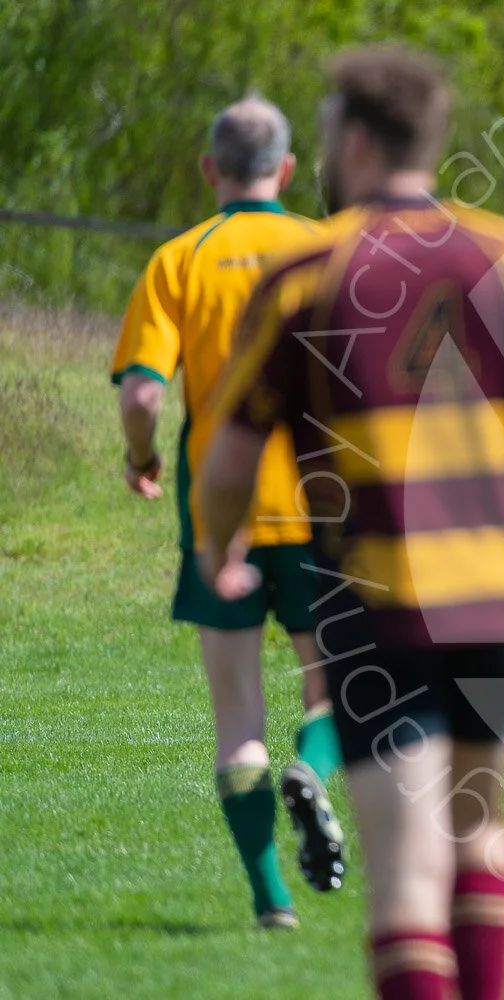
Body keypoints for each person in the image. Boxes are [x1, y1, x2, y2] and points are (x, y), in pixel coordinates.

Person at [195, 45, 504, 1000]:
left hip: (374, 604)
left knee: (403, 874)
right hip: (495, 594)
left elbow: (227, 460)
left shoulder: (308, 270)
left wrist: (218, 545)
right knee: (478, 825)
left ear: (351, 139)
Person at [111, 95, 345, 929]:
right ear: (286, 170)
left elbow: (142, 391)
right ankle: (314, 770)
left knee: (238, 716)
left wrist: (140, 458)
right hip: (326, 507)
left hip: (221, 514)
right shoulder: (327, 250)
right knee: (339, 690)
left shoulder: (181, 257)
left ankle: (270, 901)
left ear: (210, 169)